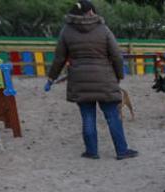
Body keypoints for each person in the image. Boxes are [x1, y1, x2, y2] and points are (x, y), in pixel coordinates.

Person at [46, 0, 137, 160]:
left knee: (87, 116)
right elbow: (116, 55)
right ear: (91, 12)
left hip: (79, 80)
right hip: (105, 79)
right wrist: (119, 75)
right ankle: (122, 151)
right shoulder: (103, 29)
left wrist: (51, 78)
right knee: (112, 116)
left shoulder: (66, 31)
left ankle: (92, 151)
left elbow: (59, 58)